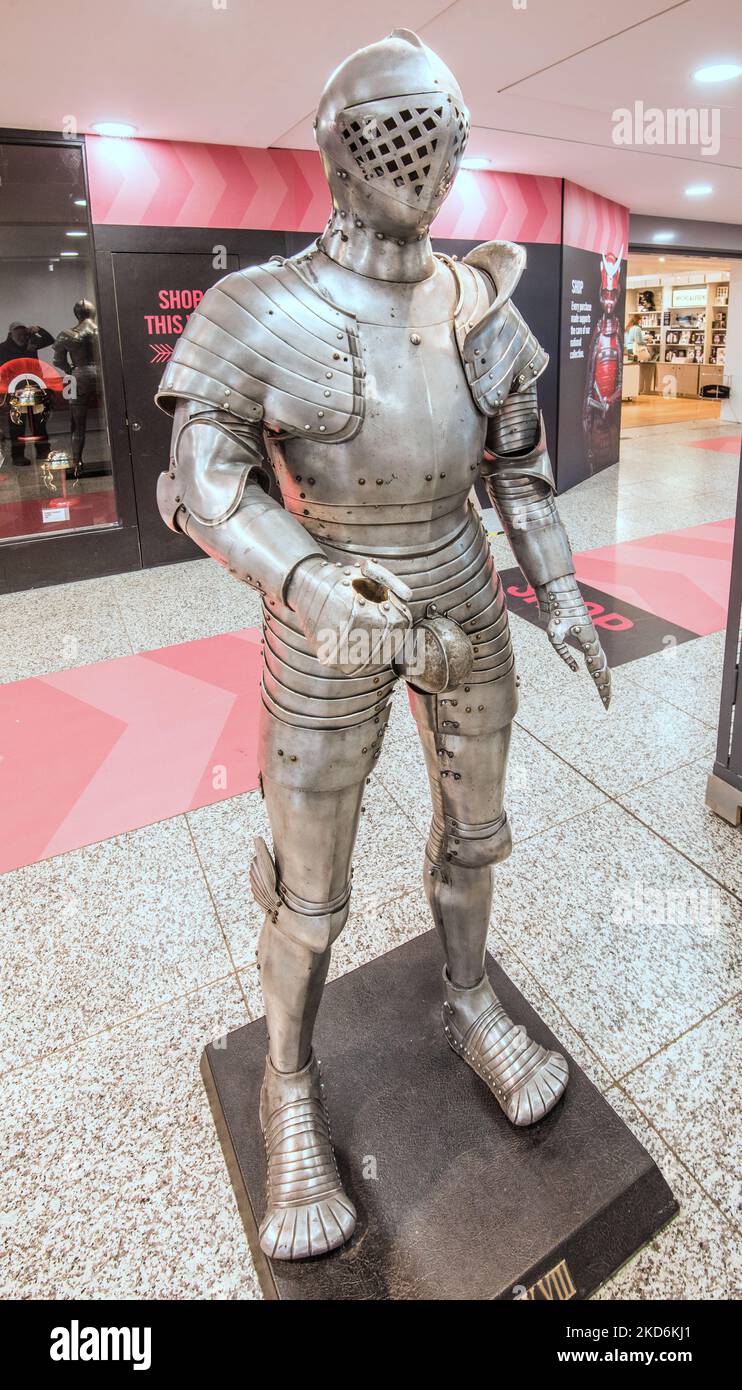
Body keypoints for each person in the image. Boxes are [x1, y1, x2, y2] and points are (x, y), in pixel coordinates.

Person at [156, 29, 612, 1262]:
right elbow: (200, 481)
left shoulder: (479, 300)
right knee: (311, 891)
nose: (417, 158)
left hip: (459, 585)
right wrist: (303, 572)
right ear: (337, 150)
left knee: (476, 830)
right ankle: (289, 1081)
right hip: (330, 600)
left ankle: (469, 998)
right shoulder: (262, 308)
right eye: (391, 134)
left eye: (435, 134)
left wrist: (558, 591)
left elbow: (514, 464)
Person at [53, 300, 99, 472]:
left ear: (77, 314)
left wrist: (71, 370)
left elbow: (58, 360)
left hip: (77, 377)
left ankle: (77, 462)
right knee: (113, 418)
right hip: (103, 375)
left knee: (77, 423)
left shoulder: (67, 334)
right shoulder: (102, 331)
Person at [0, 321, 54, 464]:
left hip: (34, 388)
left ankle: (43, 451)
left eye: (23, 333)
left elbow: (50, 340)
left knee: (39, 422)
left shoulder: (32, 342)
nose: (21, 336)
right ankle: (18, 456)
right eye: (18, 333)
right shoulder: (2, 348)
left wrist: (38, 329)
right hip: (15, 391)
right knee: (17, 424)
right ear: (11, 334)